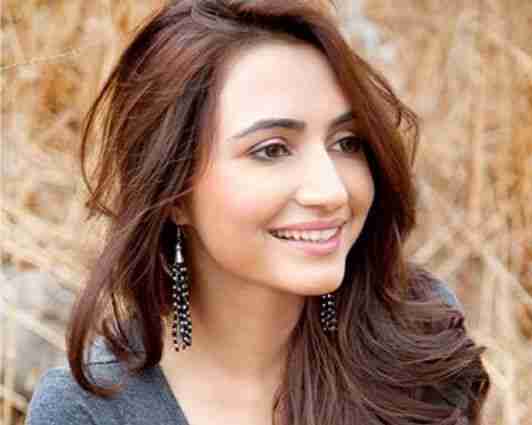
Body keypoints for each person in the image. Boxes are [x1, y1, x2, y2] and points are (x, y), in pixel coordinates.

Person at [26, 1, 490, 424]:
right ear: (174, 196)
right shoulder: (90, 411)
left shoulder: (417, 340)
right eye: (271, 150)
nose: (331, 191)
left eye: (347, 142)